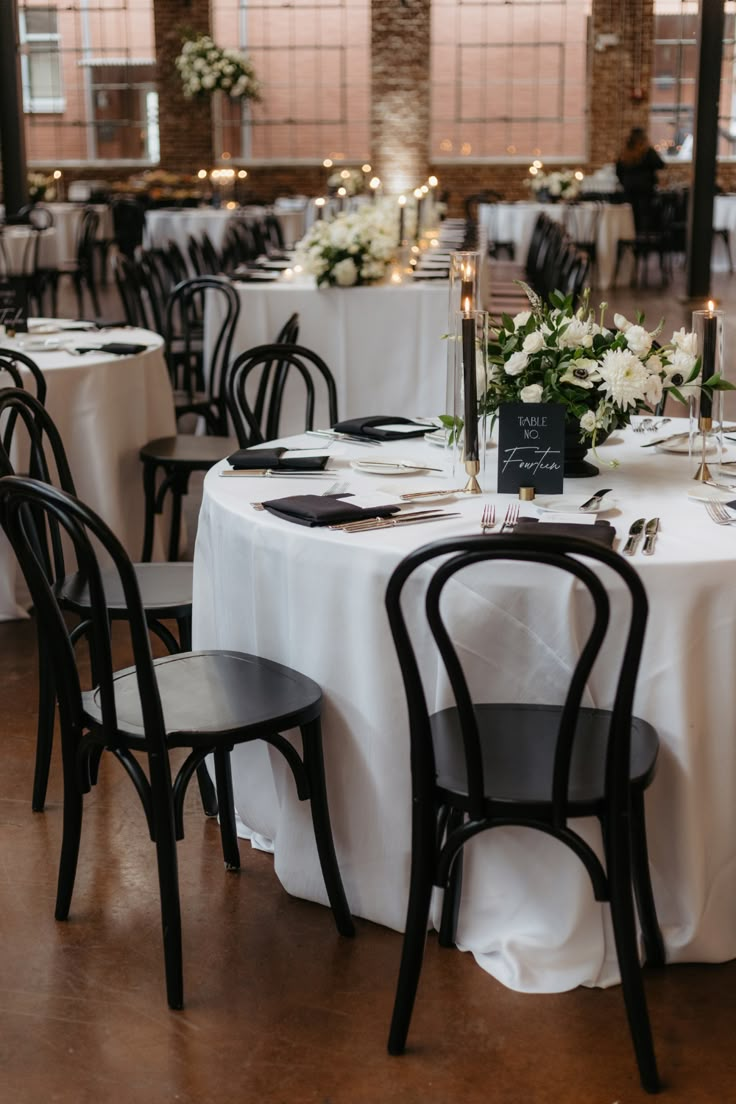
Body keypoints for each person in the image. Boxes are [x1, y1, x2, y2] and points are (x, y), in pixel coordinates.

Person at [615, 128, 665, 232]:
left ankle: (630, 239)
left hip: (628, 188)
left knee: (630, 216)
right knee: (645, 215)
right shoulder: (647, 151)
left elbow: (618, 170)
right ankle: (643, 241)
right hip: (645, 188)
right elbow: (660, 164)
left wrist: (624, 182)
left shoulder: (625, 152)